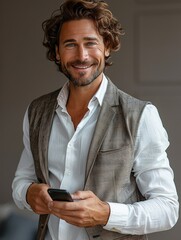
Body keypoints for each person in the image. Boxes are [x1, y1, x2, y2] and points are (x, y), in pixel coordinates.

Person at [12, 0, 179, 239]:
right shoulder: (36, 111)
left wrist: (106, 214)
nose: (82, 56)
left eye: (91, 43)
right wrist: (28, 194)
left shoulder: (141, 116)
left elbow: (167, 209)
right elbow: (21, 181)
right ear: (57, 52)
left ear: (107, 46)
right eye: (70, 44)